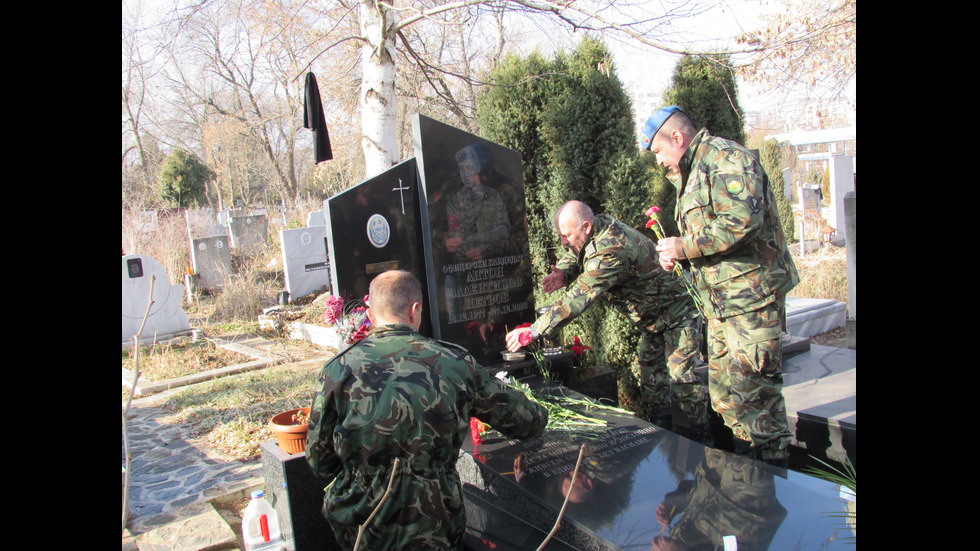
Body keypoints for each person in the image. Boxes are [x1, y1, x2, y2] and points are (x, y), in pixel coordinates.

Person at [306, 270, 549, 550]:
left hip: (364, 526)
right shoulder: (454, 363)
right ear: (415, 310)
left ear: (370, 316)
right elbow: (529, 421)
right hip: (435, 525)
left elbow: (320, 463)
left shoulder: (337, 370)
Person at [639, 105, 800, 466]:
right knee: (727, 399)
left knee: (757, 400)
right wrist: (679, 254)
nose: (660, 162)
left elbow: (743, 219)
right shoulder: (694, 170)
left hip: (750, 301)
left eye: (660, 152)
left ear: (677, 137)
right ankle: (746, 484)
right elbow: (708, 234)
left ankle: (774, 483)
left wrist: (686, 246)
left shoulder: (726, 159)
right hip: (722, 306)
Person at [504, 200, 710, 440]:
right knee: (653, 382)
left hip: (679, 313)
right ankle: (664, 440)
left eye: (567, 235)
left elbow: (578, 298)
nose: (563, 242)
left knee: (684, 385)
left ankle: (699, 450)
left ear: (586, 227)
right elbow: (579, 253)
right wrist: (564, 272)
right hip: (654, 320)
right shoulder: (598, 225)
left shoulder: (612, 248)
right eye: (561, 235)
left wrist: (535, 331)